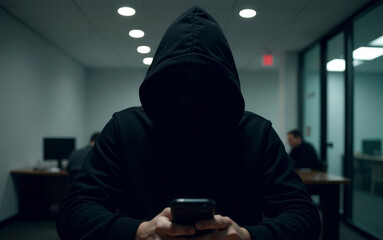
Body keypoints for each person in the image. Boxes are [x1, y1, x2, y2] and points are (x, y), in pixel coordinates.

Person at [57, 6, 321, 240]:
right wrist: (139, 232)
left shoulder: (257, 134)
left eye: (205, 86)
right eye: (178, 85)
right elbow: (74, 213)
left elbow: (304, 217)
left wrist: (246, 236)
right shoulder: (124, 129)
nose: (190, 99)